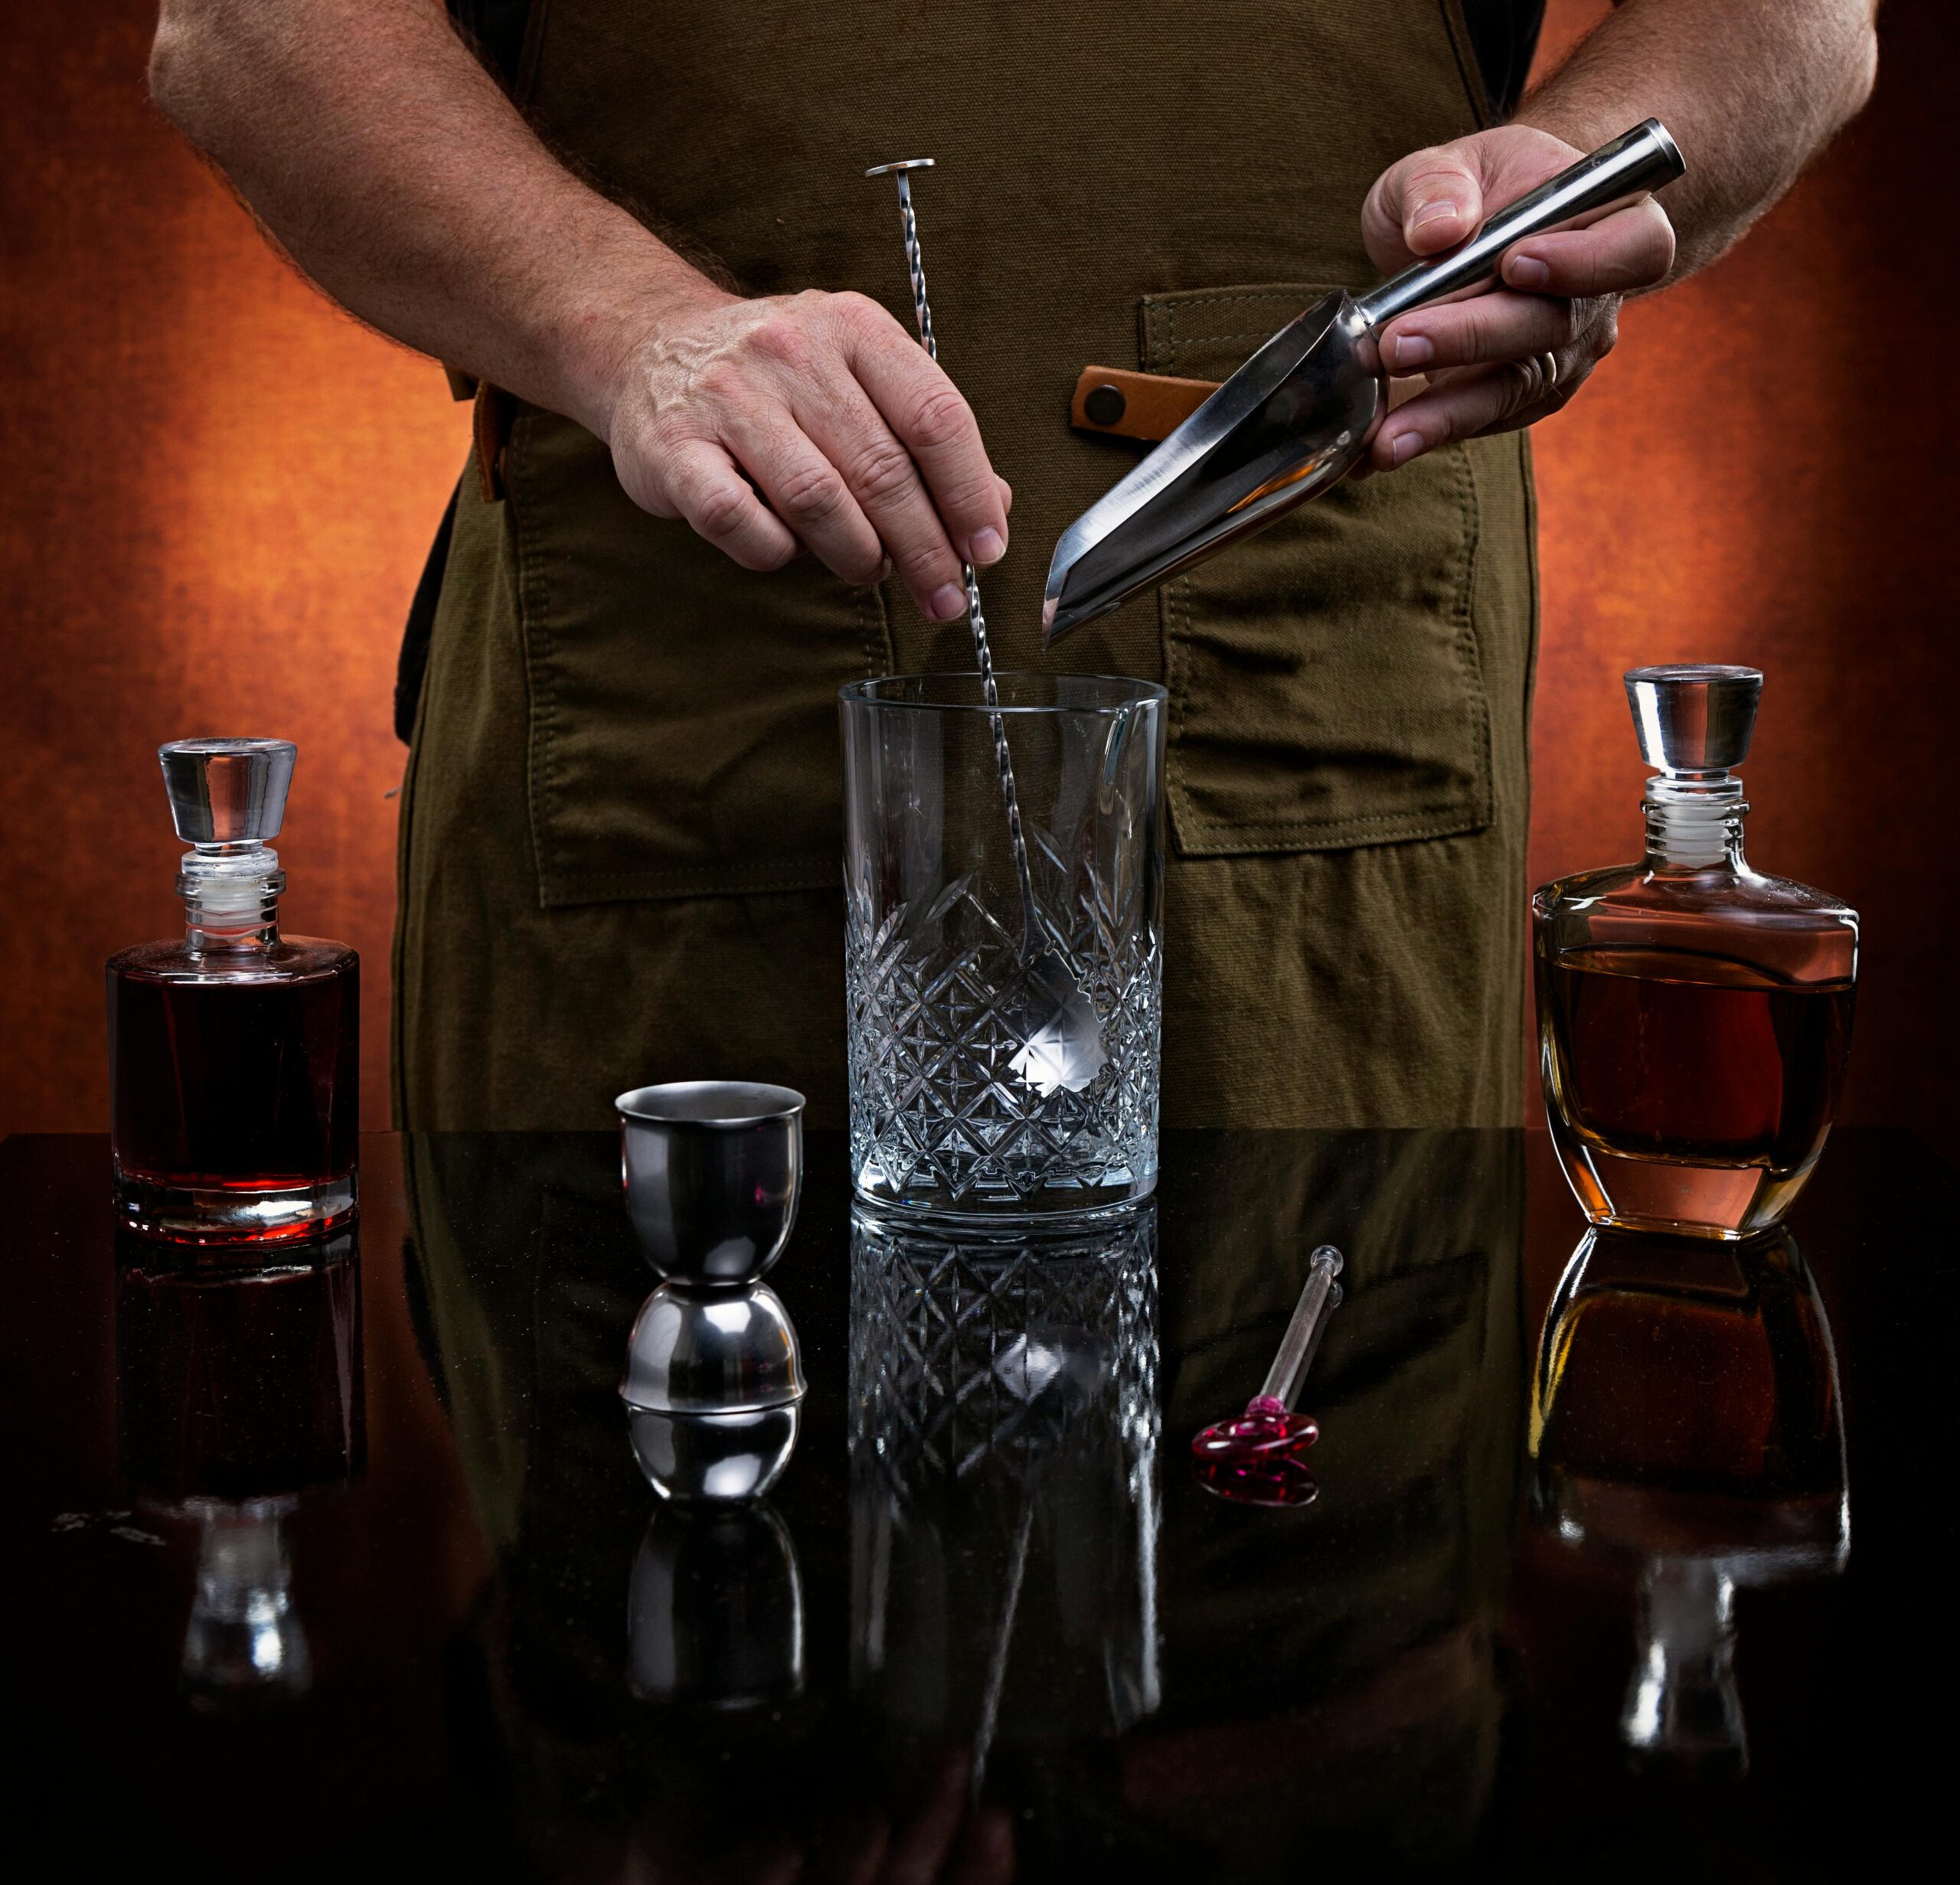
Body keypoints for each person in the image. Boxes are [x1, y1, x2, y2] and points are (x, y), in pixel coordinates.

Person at [148, 1, 1879, 1131]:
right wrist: (620, 328)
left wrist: (1579, 179)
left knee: (1333, 1546)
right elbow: (248, 27)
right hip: (669, 786)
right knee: (688, 1603)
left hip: (1322, 806)